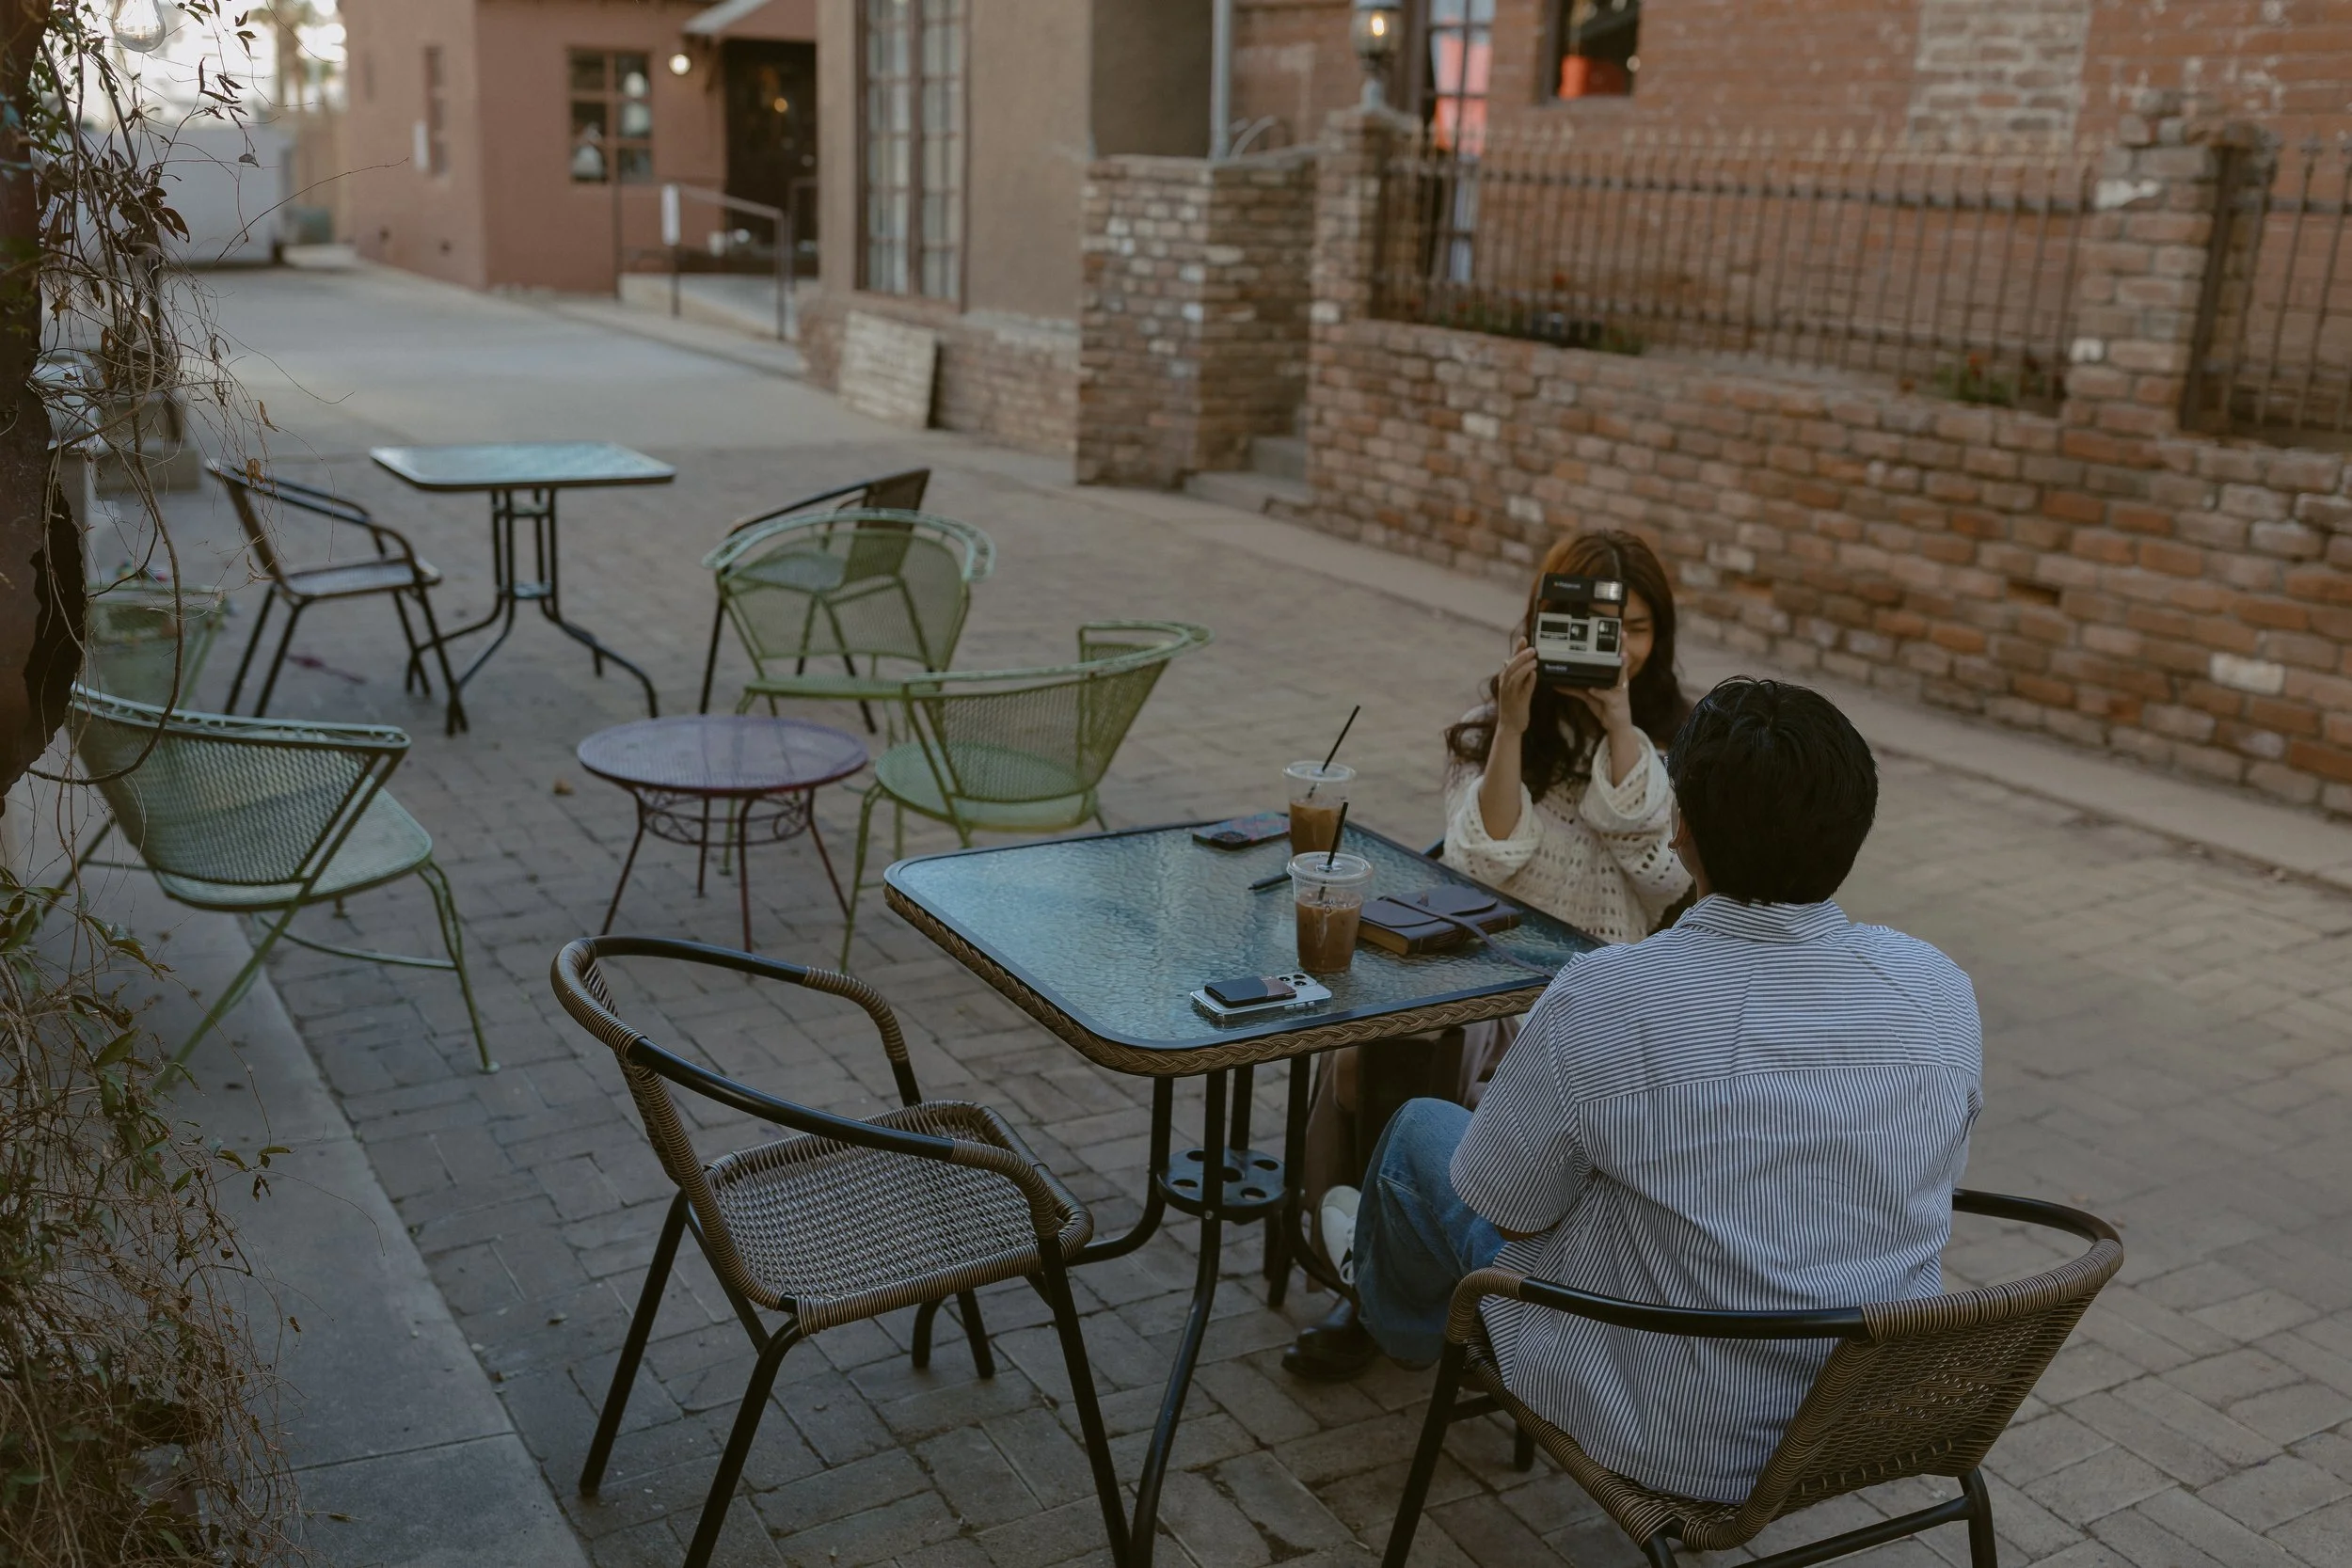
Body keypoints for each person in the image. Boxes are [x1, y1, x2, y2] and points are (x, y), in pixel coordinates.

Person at [1318, 678, 1983, 1504]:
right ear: (1853, 829)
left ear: (1681, 827)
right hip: (1861, 1411)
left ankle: (1392, 1313)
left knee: (1421, 1132)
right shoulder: (1939, 988)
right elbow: (1932, 1185)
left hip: (1666, 1426)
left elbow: (1508, 1209)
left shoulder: (1606, 993)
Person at [1284, 529, 1692, 1379]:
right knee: (1377, 1044)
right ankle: (1363, 1282)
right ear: (1540, 620)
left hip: (1593, 1003)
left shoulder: (1675, 743)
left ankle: (1411, 1285)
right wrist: (1512, 726)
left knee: (1419, 1063)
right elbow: (1481, 861)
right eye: (1587, 622)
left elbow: (1660, 873)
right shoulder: (1490, 725)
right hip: (1481, 980)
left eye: (1637, 626)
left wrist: (1619, 725)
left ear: (1659, 636)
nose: (1618, 645)